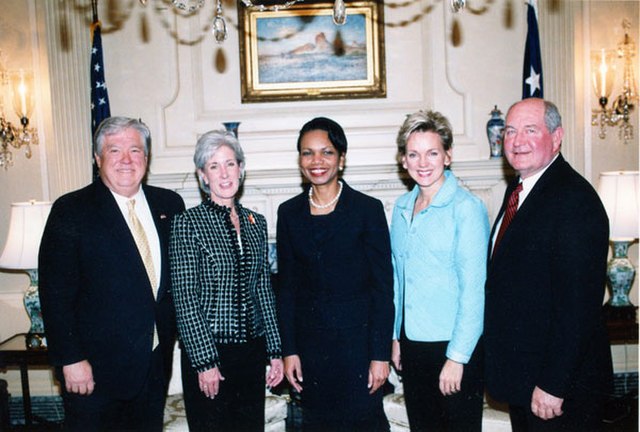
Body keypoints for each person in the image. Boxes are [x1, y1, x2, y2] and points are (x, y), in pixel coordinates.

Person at [38, 116, 186, 431]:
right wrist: (71, 360)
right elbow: (55, 294)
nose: (126, 160)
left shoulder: (170, 205)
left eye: (135, 150)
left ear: (147, 158)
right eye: (114, 150)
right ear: (97, 158)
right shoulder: (71, 210)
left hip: (154, 366)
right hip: (94, 373)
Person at [484, 98, 613, 431]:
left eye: (530, 130)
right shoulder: (521, 189)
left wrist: (554, 384)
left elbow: (579, 307)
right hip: (526, 379)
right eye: (510, 131)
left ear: (557, 137)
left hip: (557, 389)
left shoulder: (574, 200)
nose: (516, 141)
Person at [277, 117, 394, 432]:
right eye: (307, 153)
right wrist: (289, 350)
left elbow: (383, 289)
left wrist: (380, 355)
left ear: (341, 159)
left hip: (359, 352)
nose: (317, 161)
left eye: (326, 152)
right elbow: (286, 289)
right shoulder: (288, 214)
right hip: (311, 355)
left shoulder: (367, 210)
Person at [169, 130, 283, 432]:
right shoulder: (187, 223)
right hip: (210, 353)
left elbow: (263, 288)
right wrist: (205, 361)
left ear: (241, 169)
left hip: (252, 352)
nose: (224, 173)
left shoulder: (256, 223)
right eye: (214, 166)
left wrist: (275, 350)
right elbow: (185, 298)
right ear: (202, 175)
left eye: (230, 164)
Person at [389, 110, 489, 431]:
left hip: (454, 347)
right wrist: (395, 337)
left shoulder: (467, 208)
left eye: (432, 153)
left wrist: (457, 358)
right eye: (414, 154)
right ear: (403, 160)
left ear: (448, 156)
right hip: (412, 345)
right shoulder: (402, 208)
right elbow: (397, 280)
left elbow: (474, 290)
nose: (423, 163)